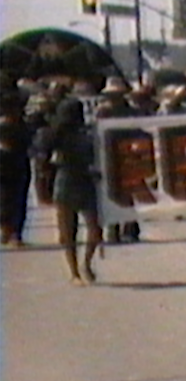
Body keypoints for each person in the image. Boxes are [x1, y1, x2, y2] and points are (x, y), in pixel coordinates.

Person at [45, 98, 103, 284]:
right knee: (76, 230)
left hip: (76, 180)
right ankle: (77, 270)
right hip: (72, 179)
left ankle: (81, 267)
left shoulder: (85, 133)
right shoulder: (59, 134)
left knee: (85, 229)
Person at [95, 76, 141, 243]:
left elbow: (139, 132)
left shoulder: (132, 112)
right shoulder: (102, 112)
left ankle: (130, 228)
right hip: (108, 156)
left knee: (128, 194)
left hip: (128, 156)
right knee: (111, 194)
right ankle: (113, 229)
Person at [0, 92, 33, 247]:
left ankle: (11, 232)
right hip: (14, 166)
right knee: (13, 200)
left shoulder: (22, 126)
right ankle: (11, 232)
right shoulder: (21, 126)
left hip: (16, 166)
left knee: (11, 200)